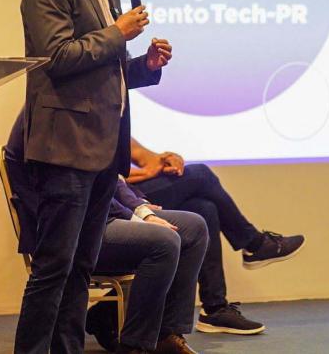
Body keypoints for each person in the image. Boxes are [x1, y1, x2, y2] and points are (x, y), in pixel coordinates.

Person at [15, 0, 173, 354]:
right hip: (65, 149)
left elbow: (109, 71)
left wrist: (145, 64)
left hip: (105, 150)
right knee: (54, 269)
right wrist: (116, 32)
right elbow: (57, 57)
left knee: (82, 267)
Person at [5, 112, 206, 354]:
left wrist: (140, 208)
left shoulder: (88, 114)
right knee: (164, 242)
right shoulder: (54, 118)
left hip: (99, 217)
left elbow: (113, 182)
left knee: (194, 226)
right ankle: (135, 345)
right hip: (67, 228)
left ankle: (165, 334)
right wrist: (140, 217)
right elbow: (76, 192)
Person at [126, 138, 306, 335]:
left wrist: (164, 160)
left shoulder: (114, 113)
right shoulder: (91, 116)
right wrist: (144, 173)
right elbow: (102, 176)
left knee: (204, 208)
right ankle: (254, 244)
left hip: (132, 190)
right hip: (116, 199)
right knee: (201, 174)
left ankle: (215, 309)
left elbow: (142, 156)